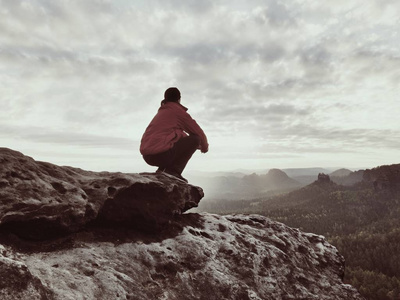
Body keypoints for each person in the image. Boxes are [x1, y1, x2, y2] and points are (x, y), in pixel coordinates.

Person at [140, 87, 208, 182]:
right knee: (195, 139)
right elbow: (197, 131)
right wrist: (204, 146)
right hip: (160, 155)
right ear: (179, 99)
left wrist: (191, 145)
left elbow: (175, 135)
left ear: (165, 98)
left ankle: (162, 170)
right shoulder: (177, 111)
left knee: (170, 146)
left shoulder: (163, 111)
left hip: (147, 156)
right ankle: (173, 172)